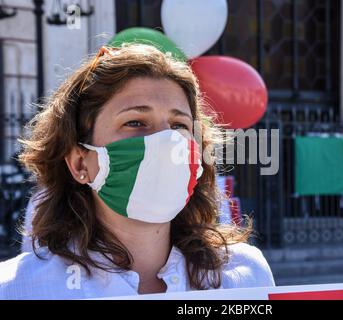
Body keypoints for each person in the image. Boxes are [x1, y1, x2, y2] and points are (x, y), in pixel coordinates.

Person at [0, 44, 275, 299]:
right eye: (135, 122)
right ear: (80, 164)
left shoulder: (245, 277)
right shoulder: (17, 289)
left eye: (179, 125)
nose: (166, 141)